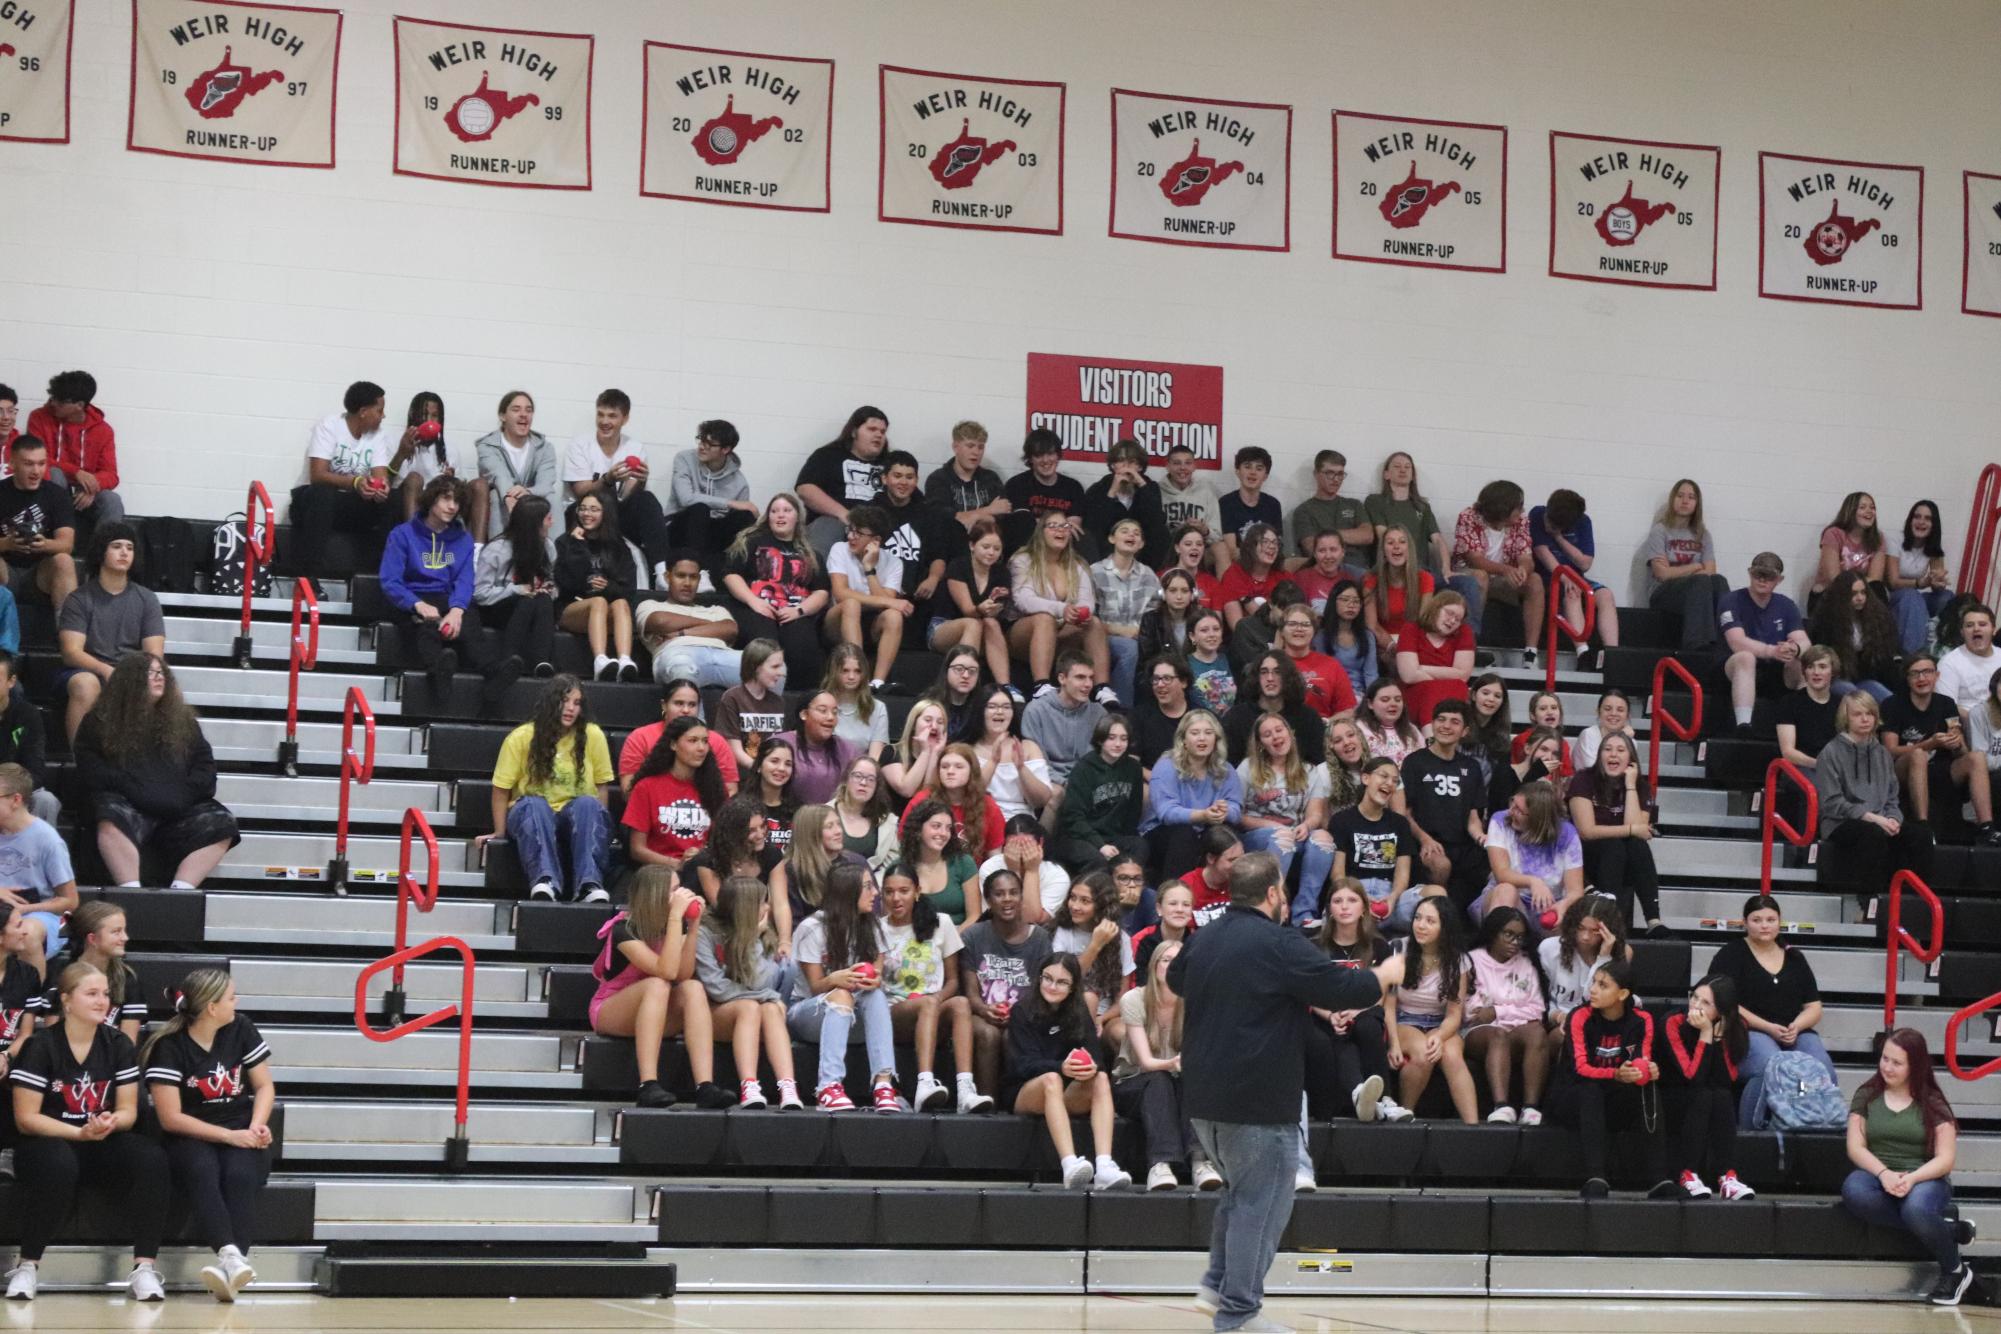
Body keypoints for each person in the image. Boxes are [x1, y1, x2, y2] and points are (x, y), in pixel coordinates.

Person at [1168, 850, 1403, 1332]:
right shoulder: (1278, 942)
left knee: (1239, 1194)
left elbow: (1174, 978)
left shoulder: (1205, 936)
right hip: (1257, 1099)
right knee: (1263, 1203)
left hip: (1203, 1097)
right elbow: (1345, 990)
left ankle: (1216, 1286)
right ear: (1274, 893)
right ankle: (1239, 1314)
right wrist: (1384, 975)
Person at [4, 962, 171, 1303]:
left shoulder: (119, 1044)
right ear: (66, 1000)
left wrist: (110, 1123)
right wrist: (78, 1133)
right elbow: (26, 1118)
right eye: (91, 993)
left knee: (151, 1158)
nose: (102, 1001)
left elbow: (128, 1109)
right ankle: (28, 1265)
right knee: (59, 1164)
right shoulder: (41, 1045)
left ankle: (144, 1267)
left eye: (106, 994)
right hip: (45, 1141)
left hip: (97, 1138)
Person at [139, 967, 275, 1302]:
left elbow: (264, 1086)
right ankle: (231, 1256)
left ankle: (232, 1266)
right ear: (212, 1008)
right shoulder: (168, 1046)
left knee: (241, 1173)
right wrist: (230, 1137)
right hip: (190, 1133)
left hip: (240, 1126)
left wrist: (257, 1124)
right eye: (231, 997)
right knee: (202, 1169)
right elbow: (170, 1118)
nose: (237, 1002)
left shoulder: (240, 1028)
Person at [73, 653, 239, 890]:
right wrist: (133, 789)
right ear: (130, 680)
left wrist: (182, 795)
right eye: (150, 673)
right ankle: (131, 889)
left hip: (178, 806)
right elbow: (92, 770)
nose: (159, 678)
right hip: (129, 804)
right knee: (108, 812)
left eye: (161, 673)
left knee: (223, 822)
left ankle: (182, 890)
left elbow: (205, 768)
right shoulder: (99, 721)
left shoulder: (184, 721)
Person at [1842, 1027, 1978, 1306]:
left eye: (1896, 1062)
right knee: (1853, 1191)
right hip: (1877, 1173)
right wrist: (1884, 1174)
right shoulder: (1866, 1094)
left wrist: (1913, 1178)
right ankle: (1947, 1229)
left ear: (1914, 1066)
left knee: (1916, 1208)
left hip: (1925, 1177)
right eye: (1884, 1059)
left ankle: (1954, 1271)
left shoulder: (1932, 1102)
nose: (1887, 1067)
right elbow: (1856, 1147)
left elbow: (1945, 1158)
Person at [589, 867, 733, 1110]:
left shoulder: (676, 926)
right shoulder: (624, 929)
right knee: (658, 984)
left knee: (693, 988)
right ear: (656, 895)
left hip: (657, 1007)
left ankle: (705, 1086)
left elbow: (683, 973)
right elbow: (665, 971)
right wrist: (676, 917)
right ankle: (648, 1084)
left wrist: (694, 925)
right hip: (612, 1008)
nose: (682, 895)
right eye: (675, 890)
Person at [382, 475, 518, 704]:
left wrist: (456, 610)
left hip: (446, 596)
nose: (452, 506)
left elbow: (465, 581)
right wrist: (418, 604)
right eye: (446, 499)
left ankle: (493, 671)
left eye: (456, 502)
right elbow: (390, 581)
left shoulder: (463, 539)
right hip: (414, 596)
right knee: (424, 627)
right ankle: (439, 669)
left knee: (470, 620)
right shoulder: (403, 534)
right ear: (432, 499)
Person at [1706, 894, 1838, 1127]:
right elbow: (1725, 1002)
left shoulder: (1794, 957)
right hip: (1748, 1030)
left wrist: (1797, 1025)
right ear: (1745, 923)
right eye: (1757, 920)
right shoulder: (1731, 954)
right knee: (1771, 1063)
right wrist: (1768, 1027)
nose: (1764, 925)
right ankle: (1750, 1131)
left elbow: (1814, 1006)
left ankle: (1819, 1125)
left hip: (1793, 1031)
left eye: (1770, 919)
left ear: (1780, 922)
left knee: (1820, 1063)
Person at [1003, 951, 1129, 1190]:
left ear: (1072, 987)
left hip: (1063, 1091)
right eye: (1047, 978)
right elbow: (1022, 1065)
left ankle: (1104, 1166)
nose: (1052, 986)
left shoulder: (1079, 1011)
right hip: (1025, 1090)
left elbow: (1097, 1058)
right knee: (1051, 1079)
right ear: (1039, 977)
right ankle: (1069, 1164)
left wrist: (1089, 1067)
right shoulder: (1022, 1009)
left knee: (1101, 1078)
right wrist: (1061, 1067)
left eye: (1061, 982)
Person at [1549, 959, 1670, 1199]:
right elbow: (1580, 1068)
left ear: (1622, 993)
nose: (1593, 989)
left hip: (1614, 1097)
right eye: (1594, 983)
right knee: (1590, 1090)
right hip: (1572, 1098)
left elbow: (1641, 1060)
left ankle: (1659, 1180)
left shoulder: (1642, 1020)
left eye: (1603, 985)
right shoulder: (1579, 1016)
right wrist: (1616, 1074)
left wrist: (1647, 1070)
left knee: (1649, 1088)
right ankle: (1596, 1177)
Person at [486, 676, 613, 903]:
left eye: (577, 703)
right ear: (550, 702)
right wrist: (500, 833)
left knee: (588, 803)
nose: (571, 708)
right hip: (531, 813)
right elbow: (500, 790)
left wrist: (599, 827)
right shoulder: (521, 737)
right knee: (534, 804)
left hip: (575, 814)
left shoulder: (593, 735)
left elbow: (601, 787)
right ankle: (545, 882)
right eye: (565, 701)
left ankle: (589, 885)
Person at [790, 862, 902, 1112]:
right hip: (807, 1014)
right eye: (867, 886)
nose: (875, 893)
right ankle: (828, 1087)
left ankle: (884, 1084)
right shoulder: (812, 928)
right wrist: (833, 980)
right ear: (847, 891)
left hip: (855, 1016)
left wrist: (874, 980)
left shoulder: (873, 926)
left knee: (874, 994)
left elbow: (877, 973)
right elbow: (815, 986)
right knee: (840, 995)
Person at [879, 863, 990, 1114]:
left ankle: (965, 1089)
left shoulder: (941, 923)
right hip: (894, 1012)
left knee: (961, 1003)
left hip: (932, 1007)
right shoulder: (878, 928)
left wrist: (937, 999)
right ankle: (924, 1084)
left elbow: (953, 980)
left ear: (917, 892)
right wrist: (931, 1002)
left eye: (903, 891)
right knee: (927, 1003)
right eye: (889, 892)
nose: (896, 898)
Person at [1114, 940, 1219, 1191]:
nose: (1172, 966)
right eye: (1165, 960)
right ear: (1154, 966)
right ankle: (1160, 1164)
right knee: (1160, 1078)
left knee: (1191, 1079)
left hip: (1178, 1080)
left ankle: (1199, 1161)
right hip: (1134, 1082)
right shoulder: (1134, 999)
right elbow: (1146, 1062)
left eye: (1178, 961)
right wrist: (1174, 1062)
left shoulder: (1196, 1002)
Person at [695, 875, 806, 1110]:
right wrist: (767, 996)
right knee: (755, 1006)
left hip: (752, 1009)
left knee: (769, 1009)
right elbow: (716, 988)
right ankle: (749, 1085)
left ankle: (787, 1086)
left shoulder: (763, 934)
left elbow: (759, 983)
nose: (767, 908)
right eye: (762, 903)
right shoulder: (706, 932)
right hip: (711, 1013)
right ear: (745, 908)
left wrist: (752, 938)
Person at [1818, 691, 1940, 903]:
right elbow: (1832, 802)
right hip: (1841, 822)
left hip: (1881, 818)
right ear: (1846, 717)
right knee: (1872, 834)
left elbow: (1892, 796)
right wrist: (1874, 818)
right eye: (1857, 714)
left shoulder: (1882, 753)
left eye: (1869, 713)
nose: (1865, 719)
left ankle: (1914, 902)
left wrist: (1893, 819)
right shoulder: (1830, 752)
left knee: (1921, 834)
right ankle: (1869, 903)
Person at [55, 520, 164, 741]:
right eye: (116, 546)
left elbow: (154, 654)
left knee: (158, 686)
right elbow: (71, 652)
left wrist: (130, 674)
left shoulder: (147, 599)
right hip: (87, 670)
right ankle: (82, 762)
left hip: (131, 669)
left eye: (130, 547)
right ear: (101, 552)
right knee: (86, 684)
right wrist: (106, 670)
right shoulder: (79, 598)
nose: (124, 552)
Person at [1313, 881, 1411, 1122]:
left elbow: (1383, 996)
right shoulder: (1316, 947)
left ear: (1364, 909)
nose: (1344, 907)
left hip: (1366, 1009)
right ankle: (1360, 1094)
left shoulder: (1379, 947)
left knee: (1366, 1026)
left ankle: (1385, 1100)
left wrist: (1356, 1012)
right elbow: (1309, 991)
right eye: (1337, 901)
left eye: (1352, 901)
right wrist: (1330, 1014)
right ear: (1329, 909)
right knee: (1338, 1030)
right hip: (1328, 1012)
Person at [289, 382, 398, 592]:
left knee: (393, 500)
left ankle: (380, 580)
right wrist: (356, 482)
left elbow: (380, 476)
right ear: (364, 412)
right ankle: (308, 580)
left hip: (347, 505)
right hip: (312, 502)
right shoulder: (329, 426)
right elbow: (318, 475)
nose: (383, 416)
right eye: (380, 410)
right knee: (323, 494)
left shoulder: (377, 436)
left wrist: (381, 490)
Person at [1883, 653, 1999, 844]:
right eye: (1915, 673)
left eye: (1927, 672)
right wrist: (1929, 744)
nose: (1922, 678)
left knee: (1976, 757)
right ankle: (1924, 825)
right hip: (1903, 769)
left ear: (1936, 676)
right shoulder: (1893, 704)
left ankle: (1986, 827)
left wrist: (1957, 742)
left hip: (1940, 768)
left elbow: (1959, 748)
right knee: (1918, 755)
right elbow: (1890, 751)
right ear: (1907, 678)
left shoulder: (1946, 703)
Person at [561, 389, 671, 587]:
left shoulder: (635, 448)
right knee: (588, 505)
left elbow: (626, 497)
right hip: (583, 512)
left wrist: (640, 480)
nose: (605, 421)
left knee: (646, 499)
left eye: (612, 416)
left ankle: (661, 572)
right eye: (600, 414)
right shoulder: (580, 445)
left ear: (625, 418)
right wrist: (608, 479)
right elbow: (580, 492)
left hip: (616, 513)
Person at [960, 868, 1053, 1100]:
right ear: (988, 900)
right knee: (989, 1034)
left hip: (1024, 1015)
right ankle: (986, 1104)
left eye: (1013, 893)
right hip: (981, 1014)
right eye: (999, 894)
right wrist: (985, 1009)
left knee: (1013, 1035)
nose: (1007, 899)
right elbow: (971, 993)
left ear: (1022, 897)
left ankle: (1017, 1103)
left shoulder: (1040, 938)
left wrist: (1018, 1014)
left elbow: (1042, 991)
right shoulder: (973, 936)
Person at [722, 493, 831, 689]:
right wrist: (753, 601)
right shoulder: (751, 542)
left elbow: (821, 592)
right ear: (768, 517)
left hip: (795, 611)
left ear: (797, 517)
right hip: (757, 606)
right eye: (774, 511)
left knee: (801, 647)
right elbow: (731, 575)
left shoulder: (811, 554)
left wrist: (798, 610)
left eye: (787, 511)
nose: (780, 515)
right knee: (765, 643)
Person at [1384, 896, 1478, 1124]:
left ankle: (1474, 1129)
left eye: (1430, 921)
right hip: (1404, 1018)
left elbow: (1455, 1013)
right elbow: (1388, 1004)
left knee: (1453, 1056)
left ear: (1444, 926)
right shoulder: (1398, 949)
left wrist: (1439, 1035)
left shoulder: (1458, 960)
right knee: (1423, 1052)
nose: (1421, 925)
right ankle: (1405, 1114)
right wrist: (1394, 1043)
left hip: (1440, 1021)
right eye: (1417, 918)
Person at [1663, 974, 1754, 1201]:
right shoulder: (1672, 1022)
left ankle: (1727, 1177)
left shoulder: (1738, 1027)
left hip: (1711, 1094)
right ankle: (1687, 1173)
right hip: (1671, 1093)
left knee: (1722, 1095)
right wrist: (1705, 1034)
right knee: (1703, 1094)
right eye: (1694, 997)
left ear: (1722, 1011)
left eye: (1705, 1003)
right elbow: (1691, 1076)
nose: (1695, 1005)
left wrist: (1718, 1036)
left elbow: (1728, 1078)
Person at [1237, 712, 1335, 916]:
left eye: (1279, 730)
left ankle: (1304, 911)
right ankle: (1270, 908)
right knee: (1282, 837)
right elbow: (1237, 815)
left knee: (1323, 838)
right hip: (1259, 836)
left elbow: (1315, 814)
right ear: (1260, 743)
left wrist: (1307, 826)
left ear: (1290, 734)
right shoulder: (1248, 767)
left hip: (1296, 834)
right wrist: (1271, 826)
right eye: (1267, 734)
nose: (1275, 736)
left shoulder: (1309, 771)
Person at [1568, 733, 1664, 936]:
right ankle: (1610, 919)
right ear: (1599, 755)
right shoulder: (1583, 779)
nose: (1613, 754)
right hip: (1585, 856)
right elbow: (1586, 831)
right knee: (1614, 845)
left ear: (1631, 759)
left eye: (1621, 750)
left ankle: (1654, 920)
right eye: (1607, 749)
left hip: (1624, 855)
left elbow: (1638, 831)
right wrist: (1630, 830)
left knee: (1636, 846)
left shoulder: (1640, 786)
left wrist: (1630, 786)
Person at [1010, 511, 1113, 698]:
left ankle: (1101, 689)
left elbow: (1087, 602)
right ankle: (1041, 685)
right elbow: (1023, 600)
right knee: (1044, 619)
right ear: (1041, 532)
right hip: (1024, 632)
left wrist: (1079, 613)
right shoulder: (1023, 559)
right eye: (1053, 526)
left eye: (1065, 526)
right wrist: (1061, 609)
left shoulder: (1078, 565)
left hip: (1061, 632)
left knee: (1094, 623)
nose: (1061, 530)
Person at [1400, 699, 1490, 914]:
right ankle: (1435, 917)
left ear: (1465, 731)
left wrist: (1484, 839)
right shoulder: (1415, 762)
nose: (1446, 726)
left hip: (1462, 845)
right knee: (1441, 865)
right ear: (1433, 724)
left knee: (1495, 859)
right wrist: (1424, 839)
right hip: (1425, 842)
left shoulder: (1471, 766)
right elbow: (1404, 812)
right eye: (1441, 720)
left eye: (1454, 722)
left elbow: (1473, 818)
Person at [1463, 906, 1551, 1125]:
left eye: (1520, 937)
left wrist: (1497, 1010)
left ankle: (1530, 1109)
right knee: (1497, 1035)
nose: (1515, 942)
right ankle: (1501, 1106)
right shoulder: (1471, 960)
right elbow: (1473, 1012)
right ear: (1494, 932)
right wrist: (1514, 1009)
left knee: (1537, 1032)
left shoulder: (1526, 963)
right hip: (1477, 1033)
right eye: (1509, 934)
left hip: (1516, 1031)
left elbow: (1537, 1009)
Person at [1143, 710, 1242, 881]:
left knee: (1226, 832)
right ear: (1183, 741)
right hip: (1162, 833)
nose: (1202, 738)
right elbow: (1166, 813)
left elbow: (1236, 808)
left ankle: (1228, 895)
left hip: (1205, 829)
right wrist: (1202, 815)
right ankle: (1174, 895)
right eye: (1195, 733)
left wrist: (1225, 811)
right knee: (1184, 834)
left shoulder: (1226, 769)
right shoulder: (1166, 766)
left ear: (1216, 739)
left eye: (1208, 733)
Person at [555, 487, 642, 683]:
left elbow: (628, 591)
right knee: (598, 602)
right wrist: (577, 544)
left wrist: (607, 586)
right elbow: (563, 581)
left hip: (607, 610)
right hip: (571, 608)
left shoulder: (618, 546)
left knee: (619, 603)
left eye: (594, 509)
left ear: (605, 513)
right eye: (583, 508)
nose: (587, 514)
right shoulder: (565, 542)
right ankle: (600, 661)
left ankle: (625, 661)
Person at [622, 716, 727, 877]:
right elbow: (637, 849)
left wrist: (701, 855)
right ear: (673, 744)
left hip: (703, 871)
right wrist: (677, 864)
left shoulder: (716, 789)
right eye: (692, 741)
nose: (701, 748)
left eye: (705, 741)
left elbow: (724, 843)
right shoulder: (646, 787)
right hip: (658, 873)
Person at [1325, 756, 1423, 929]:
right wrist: (1361, 898)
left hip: (1391, 896)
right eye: (1383, 776)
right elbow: (1337, 875)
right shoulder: (1341, 820)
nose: (1389, 783)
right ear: (1366, 778)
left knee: (1437, 894)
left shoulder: (1400, 823)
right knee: (1342, 913)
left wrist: (1392, 898)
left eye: (1395, 781)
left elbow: (1402, 874)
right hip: (1354, 893)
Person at [1720, 552, 1812, 730]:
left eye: (1768, 577)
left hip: (1774, 669)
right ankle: (1743, 723)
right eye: (1757, 575)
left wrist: (1794, 649)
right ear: (1749, 573)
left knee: (1804, 661)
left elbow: (1803, 641)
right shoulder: (1731, 600)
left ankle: (1807, 723)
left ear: (1779, 579)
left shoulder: (1786, 605)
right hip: (1734, 667)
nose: (1762, 580)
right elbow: (1736, 642)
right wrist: (1771, 651)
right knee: (1746, 657)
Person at [25, 371, 122, 540]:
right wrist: (75, 471)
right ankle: (56, 543)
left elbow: (111, 474)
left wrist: (92, 487)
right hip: (51, 491)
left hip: (82, 494)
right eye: (52, 397)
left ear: (79, 405)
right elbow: (36, 458)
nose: (53, 403)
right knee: (55, 474)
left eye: (60, 401)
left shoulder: (103, 430)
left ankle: (100, 556)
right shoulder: (39, 417)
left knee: (112, 501)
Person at [1476, 780, 1585, 929]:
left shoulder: (1568, 835)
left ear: (1538, 819)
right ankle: (1496, 948)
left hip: (1548, 906)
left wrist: (1564, 905)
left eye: (1519, 811)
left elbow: (1575, 891)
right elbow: (1501, 874)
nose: (1512, 812)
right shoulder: (1500, 820)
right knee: (1506, 890)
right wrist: (1534, 882)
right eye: (1512, 803)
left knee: (1570, 924)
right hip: (1506, 898)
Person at [826, 504, 912, 692]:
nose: (851, 537)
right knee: (851, 604)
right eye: (850, 530)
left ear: (876, 540)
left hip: (871, 624)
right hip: (838, 621)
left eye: (858, 533)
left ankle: (877, 683)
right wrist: (891, 601)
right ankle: (857, 674)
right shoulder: (839, 550)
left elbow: (885, 608)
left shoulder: (894, 562)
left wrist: (869, 569)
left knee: (893, 616)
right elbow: (840, 593)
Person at [1529, 489, 1620, 666]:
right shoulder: (1538, 514)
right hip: (1550, 576)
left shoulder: (1583, 522)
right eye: (1550, 520)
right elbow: (1542, 551)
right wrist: (1564, 577)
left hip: (1575, 576)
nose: (1549, 525)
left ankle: (1613, 654)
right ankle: (1583, 652)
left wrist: (1558, 537)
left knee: (1605, 595)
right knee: (1573, 594)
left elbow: (1585, 563)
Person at [1638, 477, 1728, 653]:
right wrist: (1694, 567)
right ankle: (1696, 646)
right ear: (1673, 499)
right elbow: (1662, 574)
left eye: (1691, 497)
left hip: (1695, 591)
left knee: (1719, 581)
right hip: (1663, 593)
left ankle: (1726, 644)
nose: (1685, 501)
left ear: (1697, 503)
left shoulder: (1703, 534)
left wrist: (1674, 570)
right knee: (1700, 581)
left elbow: (1711, 572)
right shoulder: (1660, 531)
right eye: (1680, 496)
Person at [474, 494, 559, 679]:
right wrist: (517, 589)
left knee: (543, 599)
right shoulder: (497, 549)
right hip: (496, 607)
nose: (551, 523)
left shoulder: (548, 547)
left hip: (532, 606)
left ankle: (542, 661)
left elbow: (553, 583)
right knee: (526, 601)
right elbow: (480, 594)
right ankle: (507, 659)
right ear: (534, 522)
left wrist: (549, 589)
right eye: (548, 518)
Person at [1448, 480, 1543, 643]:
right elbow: (1474, 560)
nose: (1522, 510)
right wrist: (1506, 570)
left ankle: (1530, 653)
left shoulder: (1521, 521)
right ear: (1503, 509)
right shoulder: (1469, 517)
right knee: (1480, 576)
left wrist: (1522, 569)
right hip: (1469, 574)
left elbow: (1526, 557)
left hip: (1501, 580)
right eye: (1518, 507)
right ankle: (1468, 644)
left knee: (1534, 580)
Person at [619, 677, 740, 802]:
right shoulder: (640, 737)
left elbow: (730, 791)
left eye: (692, 705)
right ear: (664, 705)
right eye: (679, 703)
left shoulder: (716, 741)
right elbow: (628, 791)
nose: (686, 710)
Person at [1538, 895, 1632, 1056]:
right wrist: (1561, 1017)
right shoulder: (1550, 949)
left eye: (1595, 931)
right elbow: (1544, 1001)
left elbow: (1598, 999)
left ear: (1609, 931)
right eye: (1581, 928)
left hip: (1601, 1022)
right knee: (1567, 1037)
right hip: (1559, 1020)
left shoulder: (1623, 952)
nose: (1585, 937)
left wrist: (1604, 957)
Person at [1050, 874, 1136, 1049]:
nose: (1075, 906)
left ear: (1101, 905)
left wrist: (1101, 1019)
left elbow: (1122, 998)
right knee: (1089, 997)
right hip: (1066, 1010)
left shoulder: (1121, 939)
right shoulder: (1063, 932)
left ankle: (1123, 1076)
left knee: (1121, 1032)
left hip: (1106, 1015)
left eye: (1085, 901)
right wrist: (1095, 945)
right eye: (1072, 898)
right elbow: (1062, 978)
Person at [0, 765, 76, 962]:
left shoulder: (47, 839)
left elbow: (70, 901)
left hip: (37, 912)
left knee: (27, 933)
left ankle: (32, 992)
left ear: (15, 800)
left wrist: (24, 910)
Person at [1054, 714, 1146, 872]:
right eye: (1111, 738)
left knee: (1140, 846)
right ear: (1100, 740)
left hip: (1114, 837)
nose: (1118, 744)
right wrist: (1100, 845)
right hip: (1081, 837)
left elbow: (1133, 812)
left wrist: (1119, 843)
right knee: (1098, 860)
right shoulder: (1084, 769)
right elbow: (1074, 818)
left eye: (1123, 739)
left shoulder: (1133, 769)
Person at [637, 551, 740, 689]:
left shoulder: (716, 609)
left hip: (723, 655)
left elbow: (730, 629)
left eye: (693, 577)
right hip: (678, 653)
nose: (687, 583)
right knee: (681, 664)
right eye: (680, 576)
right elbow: (660, 621)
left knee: (766, 666)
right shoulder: (651, 605)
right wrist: (712, 626)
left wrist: (681, 633)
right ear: (667, 577)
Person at [930, 518, 1014, 689]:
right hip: (944, 626)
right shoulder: (958, 566)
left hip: (983, 629)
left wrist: (995, 609)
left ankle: (1005, 686)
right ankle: (962, 681)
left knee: (990, 623)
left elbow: (997, 612)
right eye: (986, 547)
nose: (991, 552)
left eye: (996, 549)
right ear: (972, 546)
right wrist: (981, 609)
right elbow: (968, 610)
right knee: (973, 623)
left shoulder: (1001, 572)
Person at [795, 406, 889, 558]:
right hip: (835, 523)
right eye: (872, 429)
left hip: (876, 529)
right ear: (853, 432)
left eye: (883, 432)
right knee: (828, 527)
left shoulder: (890, 464)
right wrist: (844, 514)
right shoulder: (828, 455)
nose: (879, 435)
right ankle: (818, 578)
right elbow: (805, 489)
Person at [390, 392, 488, 536]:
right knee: (414, 478)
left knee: (479, 484)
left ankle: (477, 551)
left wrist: (450, 480)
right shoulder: (396, 442)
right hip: (407, 501)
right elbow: (390, 484)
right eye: (424, 414)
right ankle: (413, 542)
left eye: (434, 416)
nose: (429, 421)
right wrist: (401, 455)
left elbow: (460, 491)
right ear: (413, 415)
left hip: (441, 504)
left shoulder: (450, 449)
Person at [1022, 652, 1109, 810]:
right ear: (1062, 679)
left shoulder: (1099, 713)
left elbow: (1101, 758)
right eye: (1080, 677)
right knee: (1056, 794)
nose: (1088, 684)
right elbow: (1037, 764)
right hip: (1050, 780)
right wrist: (1064, 781)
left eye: (1091, 678)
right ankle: (1043, 835)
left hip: (1087, 780)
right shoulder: (1036, 711)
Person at [1091, 516, 1163, 707]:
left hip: (1141, 640)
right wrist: (1123, 632)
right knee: (1129, 649)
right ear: (1111, 538)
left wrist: (1142, 633)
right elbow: (1089, 619)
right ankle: (1119, 710)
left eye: (1136, 533)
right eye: (1124, 531)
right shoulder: (1095, 572)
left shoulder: (1149, 576)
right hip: (1101, 640)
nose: (1131, 534)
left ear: (1141, 544)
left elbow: (1155, 614)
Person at [663, 417, 757, 559]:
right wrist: (729, 502)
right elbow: (686, 499)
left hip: (713, 533)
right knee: (699, 508)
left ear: (725, 449)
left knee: (745, 515)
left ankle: (732, 569)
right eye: (701, 440)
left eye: (709, 444)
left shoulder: (739, 482)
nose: (701, 447)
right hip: (680, 527)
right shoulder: (684, 459)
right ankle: (695, 567)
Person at [475, 390, 562, 541]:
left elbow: (546, 482)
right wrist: (509, 496)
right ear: (502, 416)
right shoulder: (487, 446)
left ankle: (556, 557)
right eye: (516, 409)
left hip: (532, 497)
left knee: (552, 498)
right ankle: (499, 554)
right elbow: (498, 474)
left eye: (528, 410)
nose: (523, 414)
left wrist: (527, 491)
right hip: (504, 496)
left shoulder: (545, 447)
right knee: (496, 496)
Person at [56, 901, 147, 1041]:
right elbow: (53, 1038)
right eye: (116, 932)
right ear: (92, 939)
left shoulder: (127, 978)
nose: (125, 937)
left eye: (124, 930)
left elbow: (128, 1044)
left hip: (112, 1060)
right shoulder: (61, 975)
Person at [1808, 569, 1899, 702]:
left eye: (1863, 592)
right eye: (1854, 594)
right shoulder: (1826, 620)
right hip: (1836, 678)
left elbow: (1883, 658)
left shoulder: (1877, 617)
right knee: (1856, 697)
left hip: (1866, 678)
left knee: (1889, 700)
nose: (1860, 598)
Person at [900, 741, 1003, 858]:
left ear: (972, 771)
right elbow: (905, 844)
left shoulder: (988, 806)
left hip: (972, 873)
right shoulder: (922, 800)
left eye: (959, 767)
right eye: (944, 767)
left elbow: (994, 857)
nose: (950, 771)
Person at [1224, 652, 1327, 768]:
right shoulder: (1236, 718)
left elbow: (1319, 764)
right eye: (1264, 672)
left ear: (1288, 677)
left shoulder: (1308, 717)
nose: (1270, 678)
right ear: (1256, 677)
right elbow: (1229, 767)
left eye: (1277, 672)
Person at [969, 684, 1053, 823]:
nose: (1000, 712)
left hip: (1021, 823)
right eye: (992, 706)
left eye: (1006, 707)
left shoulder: (1028, 747)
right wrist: (993, 761)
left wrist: (1021, 768)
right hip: (982, 819)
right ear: (980, 711)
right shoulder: (968, 750)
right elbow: (968, 795)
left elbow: (1041, 801)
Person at [1081, 439, 1169, 569]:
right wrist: (1112, 491)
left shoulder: (1149, 487)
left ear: (1140, 467)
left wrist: (1141, 483)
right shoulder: (1099, 488)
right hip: (1108, 548)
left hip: (1141, 548)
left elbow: (1156, 520)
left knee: (1162, 532)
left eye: (1132, 462)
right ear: (1113, 466)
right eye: (1121, 461)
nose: (1126, 467)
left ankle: (1153, 573)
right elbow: (1094, 525)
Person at [683, 792, 786, 902]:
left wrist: (767, 915)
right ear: (734, 833)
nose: (760, 835)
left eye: (762, 826)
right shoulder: (707, 861)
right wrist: (762, 914)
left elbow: (781, 905)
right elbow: (721, 908)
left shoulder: (772, 854)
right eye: (751, 830)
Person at [1002, 428, 1088, 556]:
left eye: (1050, 454)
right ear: (1030, 459)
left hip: (1061, 551)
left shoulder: (1073, 487)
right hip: (1029, 550)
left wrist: (1042, 523)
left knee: (1085, 539)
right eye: (1039, 455)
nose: (1046, 460)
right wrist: (1060, 525)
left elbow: (1074, 527)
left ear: (1058, 455)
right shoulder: (1016, 485)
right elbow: (1023, 525)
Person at [1396, 590, 1476, 727]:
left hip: (1451, 695)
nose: (1452, 621)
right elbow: (1408, 676)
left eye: (1457, 620)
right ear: (1436, 607)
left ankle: (1442, 739)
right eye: (1449, 613)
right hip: (1414, 695)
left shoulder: (1464, 632)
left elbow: (1463, 675)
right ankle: (1433, 742)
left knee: (1459, 686)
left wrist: (1422, 669)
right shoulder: (1411, 629)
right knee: (1438, 689)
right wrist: (1448, 675)